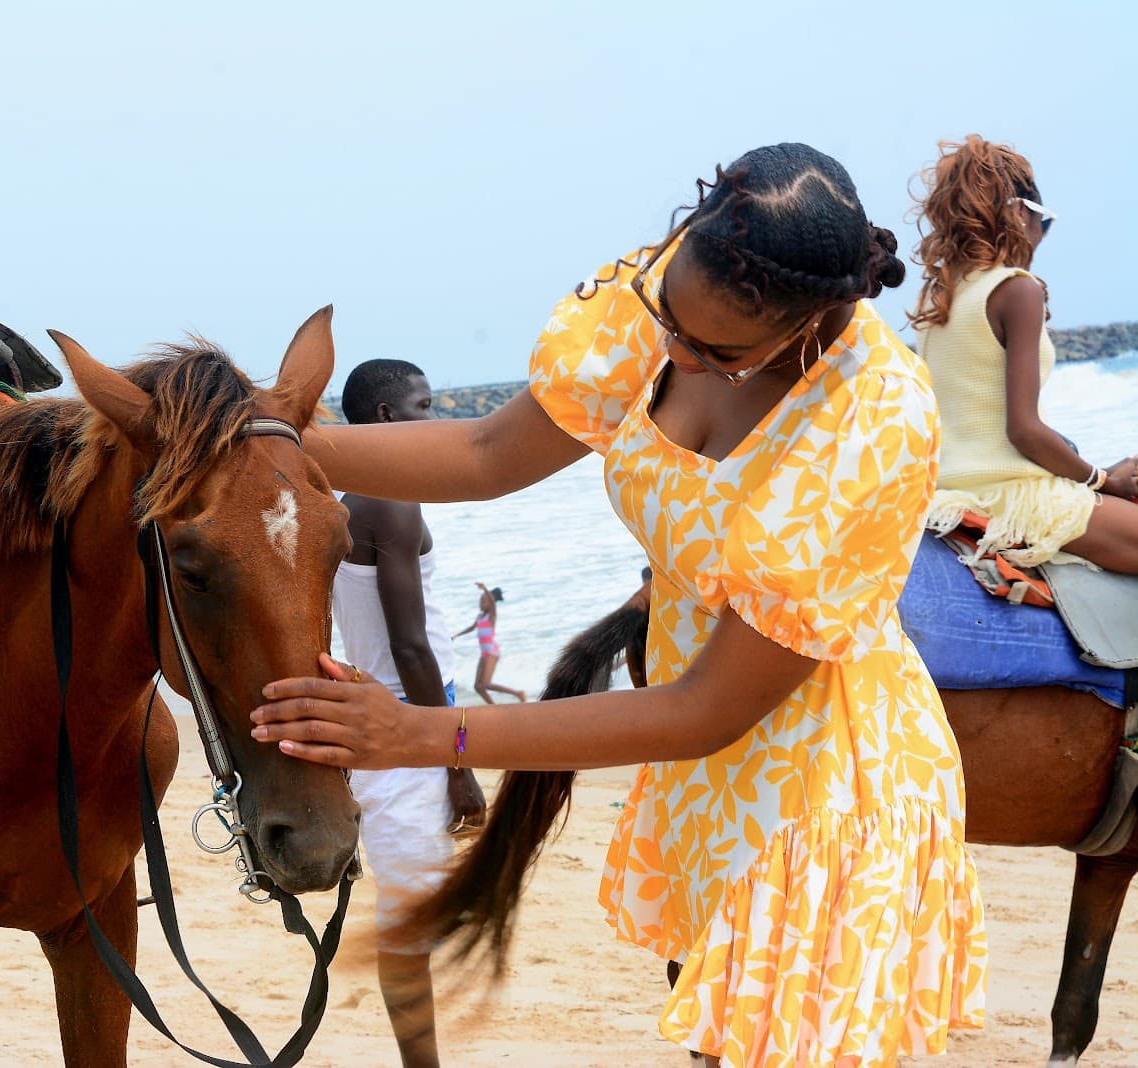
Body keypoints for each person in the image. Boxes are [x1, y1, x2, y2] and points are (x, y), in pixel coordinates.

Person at [254, 144, 987, 1066]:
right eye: (669, 321)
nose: (671, 352)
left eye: (712, 353)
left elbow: (705, 709)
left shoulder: (870, 422)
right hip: (703, 770)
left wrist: (418, 735)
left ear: (807, 325)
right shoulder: (676, 294)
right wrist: (269, 432)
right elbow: (488, 453)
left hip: (819, 784)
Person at [331, 357, 488, 1068]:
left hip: (382, 722)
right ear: (389, 418)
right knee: (407, 927)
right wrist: (456, 762)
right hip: (408, 730)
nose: (436, 420)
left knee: (411, 920)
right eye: (425, 407)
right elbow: (411, 645)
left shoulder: (345, 499)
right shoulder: (391, 501)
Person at [912, 135, 1138, 572]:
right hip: (1013, 496)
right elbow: (1024, 431)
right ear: (1018, 213)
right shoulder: (1016, 289)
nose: (1041, 236)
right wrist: (1104, 481)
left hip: (950, 492)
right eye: (1043, 221)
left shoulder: (938, 297)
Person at [453, 582, 526, 703]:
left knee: (486, 684)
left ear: (490, 604)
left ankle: (518, 693)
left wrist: (485, 589)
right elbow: (471, 628)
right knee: (478, 687)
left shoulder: (491, 616)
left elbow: (492, 603)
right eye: (480, 601)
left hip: (492, 652)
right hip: (484, 654)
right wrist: (457, 635)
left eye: (484, 601)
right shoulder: (480, 617)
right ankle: (494, 707)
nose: (481, 603)